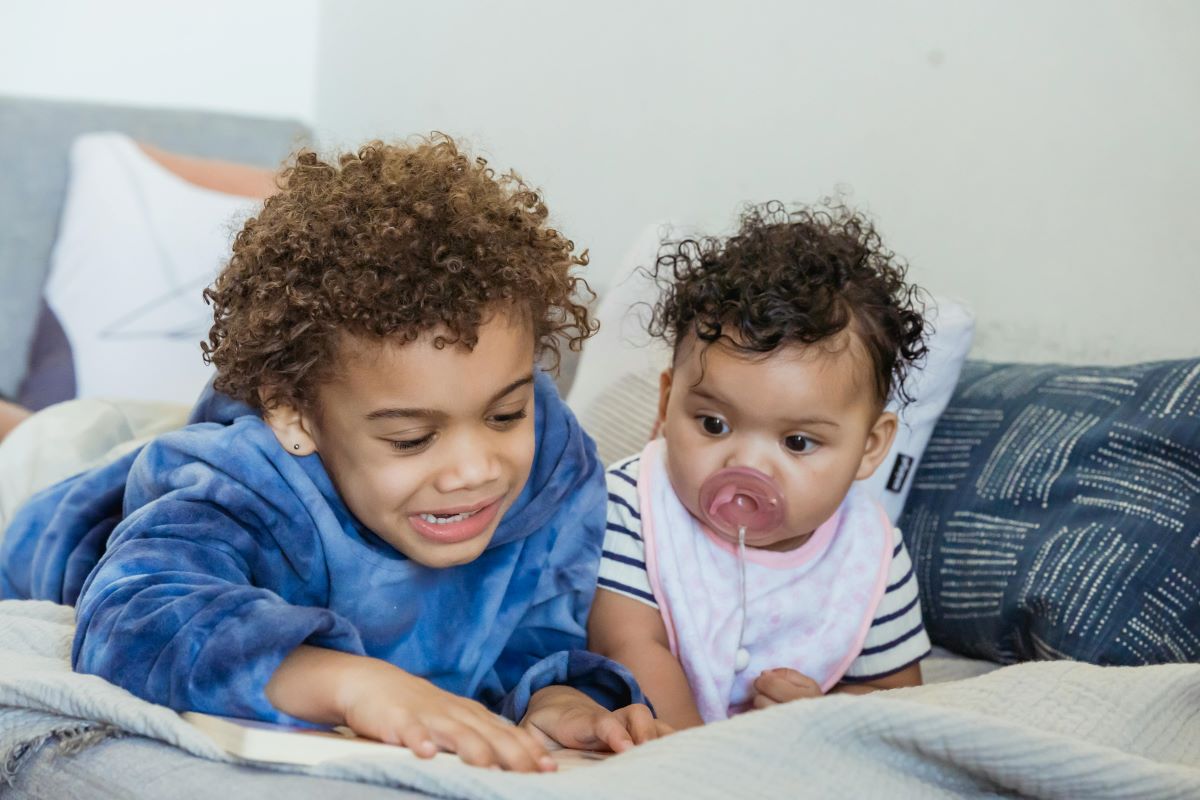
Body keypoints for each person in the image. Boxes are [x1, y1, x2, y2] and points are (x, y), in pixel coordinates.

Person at [1, 135, 664, 771]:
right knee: (52, 441)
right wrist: (349, 683)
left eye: (505, 414)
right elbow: (132, 622)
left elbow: (537, 635)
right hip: (67, 495)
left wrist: (554, 699)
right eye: (411, 438)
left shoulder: (554, 467)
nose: (477, 469)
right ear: (294, 416)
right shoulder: (240, 488)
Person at [587, 201, 933, 730]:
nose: (745, 462)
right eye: (713, 424)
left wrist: (822, 717)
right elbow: (628, 644)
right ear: (666, 404)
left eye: (797, 441)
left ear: (869, 446)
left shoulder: (872, 558)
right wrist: (695, 760)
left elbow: (897, 702)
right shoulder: (629, 507)